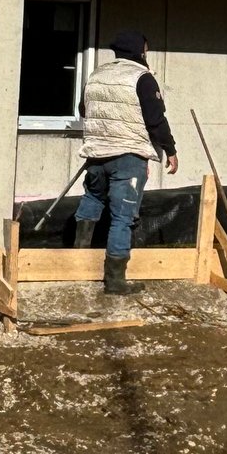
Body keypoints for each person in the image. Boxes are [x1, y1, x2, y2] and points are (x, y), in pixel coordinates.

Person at [75, 29, 178, 294]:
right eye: (145, 50)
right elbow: (155, 119)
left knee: (93, 200)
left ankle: (75, 264)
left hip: (96, 155)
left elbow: (83, 109)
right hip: (128, 157)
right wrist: (170, 149)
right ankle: (115, 281)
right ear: (139, 51)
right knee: (123, 216)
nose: (147, 54)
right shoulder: (142, 78)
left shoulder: (97, 75)